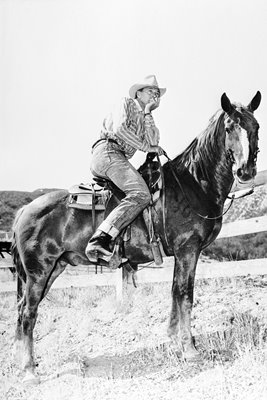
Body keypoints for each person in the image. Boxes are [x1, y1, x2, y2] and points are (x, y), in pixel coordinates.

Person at [85, 75, 166, 264]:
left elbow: (153, 141)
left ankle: (119, 242)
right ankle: (100, 240)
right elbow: (121, 129)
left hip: (117, 156)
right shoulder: (126, 103)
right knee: (141, 194)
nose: (155, 95)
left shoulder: (146, 115)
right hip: (108, 151)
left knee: (139, 192)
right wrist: (148, 148)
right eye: (150, 91)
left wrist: (148, 113)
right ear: (138, 92)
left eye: (157, 93)